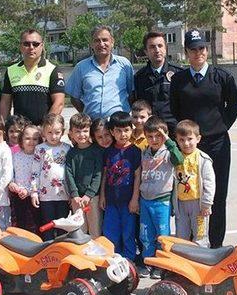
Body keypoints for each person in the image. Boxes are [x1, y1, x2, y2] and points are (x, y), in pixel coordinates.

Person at [170, 29, 237, 248]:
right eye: (193, 49)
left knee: (217, 195)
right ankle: (192, 245)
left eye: (201, 48)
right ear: (186, 52)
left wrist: (219, 127)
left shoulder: (222, 77)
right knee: (189, 195)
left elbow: (234, 105)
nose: (198, 53)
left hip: (217, 144)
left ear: (207, 50)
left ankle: (216, 245)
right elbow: (174, 109)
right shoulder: (179, 80)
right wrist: (186, 138)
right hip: (189, 148)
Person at [139, 116, 183, 279]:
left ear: (165, 135)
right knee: (146, 234)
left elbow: (178, 160)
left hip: (161, 201)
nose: (154, 139)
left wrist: (169, 141)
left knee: (162, 235)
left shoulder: (168, 153)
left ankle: (161, 265)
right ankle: (148, 263)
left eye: (158, 136)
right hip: (145, 200)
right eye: (150, 136)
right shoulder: (145, 152)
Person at [65, 25, 134, 120]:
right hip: (93, 125)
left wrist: (124, 114)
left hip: (119, 126)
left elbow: (132, 93)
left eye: (105, 40)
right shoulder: (81, 67)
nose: (101, 44)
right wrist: (86, 114)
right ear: (91, 44)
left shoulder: (124, 65)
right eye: (97, 40)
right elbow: (74, 97)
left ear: (112, 42)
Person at [99, 111, 141, 262]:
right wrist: (103, 196)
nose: (123, 134)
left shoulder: (135, 151)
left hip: (128, 201)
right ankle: (112, 259)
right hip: (111, 200)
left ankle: (129, 261)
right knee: (110, 232)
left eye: (126, 130)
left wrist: (135, 199)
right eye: (118, 130)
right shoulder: (108, 151)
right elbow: (105, 174)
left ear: (132, 130)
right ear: (112, 131)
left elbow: (137, 176)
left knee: (128, 232)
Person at [0, 29, 65, 125]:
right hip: (19, 132)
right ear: (20, 47)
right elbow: (5, 103)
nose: (31, 47)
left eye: (35, 44)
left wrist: (45, 128)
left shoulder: (53, 70)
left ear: (42, 46)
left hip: (42, 133)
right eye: (26, 44)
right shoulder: (10, 71)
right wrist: (4, 127)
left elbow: (59, 103)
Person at [30, 113, 72, 240]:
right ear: (43, 132)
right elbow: (35, 172)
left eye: (57, 132)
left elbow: (70, 172)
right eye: (49, 132)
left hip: (63, 194)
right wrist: (34, 192)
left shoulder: (67, 148)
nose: (53, 136)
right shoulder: (40, 149)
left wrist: (71, 193)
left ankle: (61, 250)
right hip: (45, 195)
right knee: (47, 225)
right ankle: (48, 251)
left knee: (62, 226)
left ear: (63, 132)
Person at [174, 119, 215, 248]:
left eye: (190, 139)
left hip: (199, 204)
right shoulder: (176, 158)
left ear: (198, 139)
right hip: (181, 204)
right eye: (181, 140)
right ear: (177, 140)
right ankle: (183, 262)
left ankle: (202, 260)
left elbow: (209, 182)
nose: (186, 143)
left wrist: (207, 203)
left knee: (201, 236)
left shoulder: (203, 159)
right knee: (181, 236)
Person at [134, 32, 184, 135]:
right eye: (152, 47)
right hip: (150, 134)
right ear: (146, 51)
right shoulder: (139, 77)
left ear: (165, 48)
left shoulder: (179, 74)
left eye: (160, 46)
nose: (157, 50)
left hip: (174, 133)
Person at [65, 113, 104, 238]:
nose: (82, 135)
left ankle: (96, 255)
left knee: (95, 229)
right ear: (71, 133)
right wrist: (74, 194)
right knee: (79, 229)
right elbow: (69, 174)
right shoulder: (71, 153)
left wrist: (89, 194)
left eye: (85, 131)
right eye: (78, 131)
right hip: (77, 198)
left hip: (93, 197)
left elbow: (98, 175)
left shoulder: (96, 151)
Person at [8, 124, 42, 233]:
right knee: (19, 221)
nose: (31, 141)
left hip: (33, 195)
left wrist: (28, 190)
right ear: (21, 140)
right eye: (27, 138)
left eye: (35, 139)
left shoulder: (40, 157)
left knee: (33, 222)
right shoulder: (16, 156)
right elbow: (11, 173)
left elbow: (40, 177)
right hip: (18, 194)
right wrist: (11, 183)